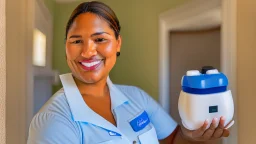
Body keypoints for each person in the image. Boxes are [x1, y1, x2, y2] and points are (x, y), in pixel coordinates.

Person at [27, 1, 231, 144]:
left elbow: (174, 139)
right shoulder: (53, 121)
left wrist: (193, 136)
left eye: (100, 39)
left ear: (118, 44)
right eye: (77, 41)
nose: (88, 51)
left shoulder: (136, 97)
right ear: (66, 48)